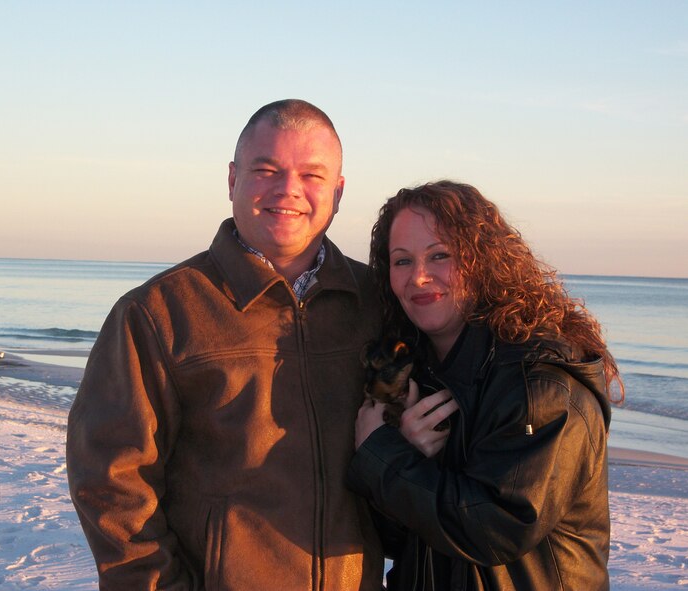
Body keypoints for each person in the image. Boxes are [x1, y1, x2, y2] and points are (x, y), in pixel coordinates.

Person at [66, 99, 384, 590]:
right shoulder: (158, 312)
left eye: (312, 175)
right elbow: (111, 482)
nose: (289, 190)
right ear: (233, 180)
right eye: (267, 169)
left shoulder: (376, 304)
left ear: (338, 192)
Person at [349, 180, 622, 590]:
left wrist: (385, 456)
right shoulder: (413, 375)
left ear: (482, 261)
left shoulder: (538, 383)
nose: (419, 277)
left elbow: (498, 526)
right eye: (402, 261)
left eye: (440, 255)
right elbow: (393, 536)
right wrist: (404, 451)